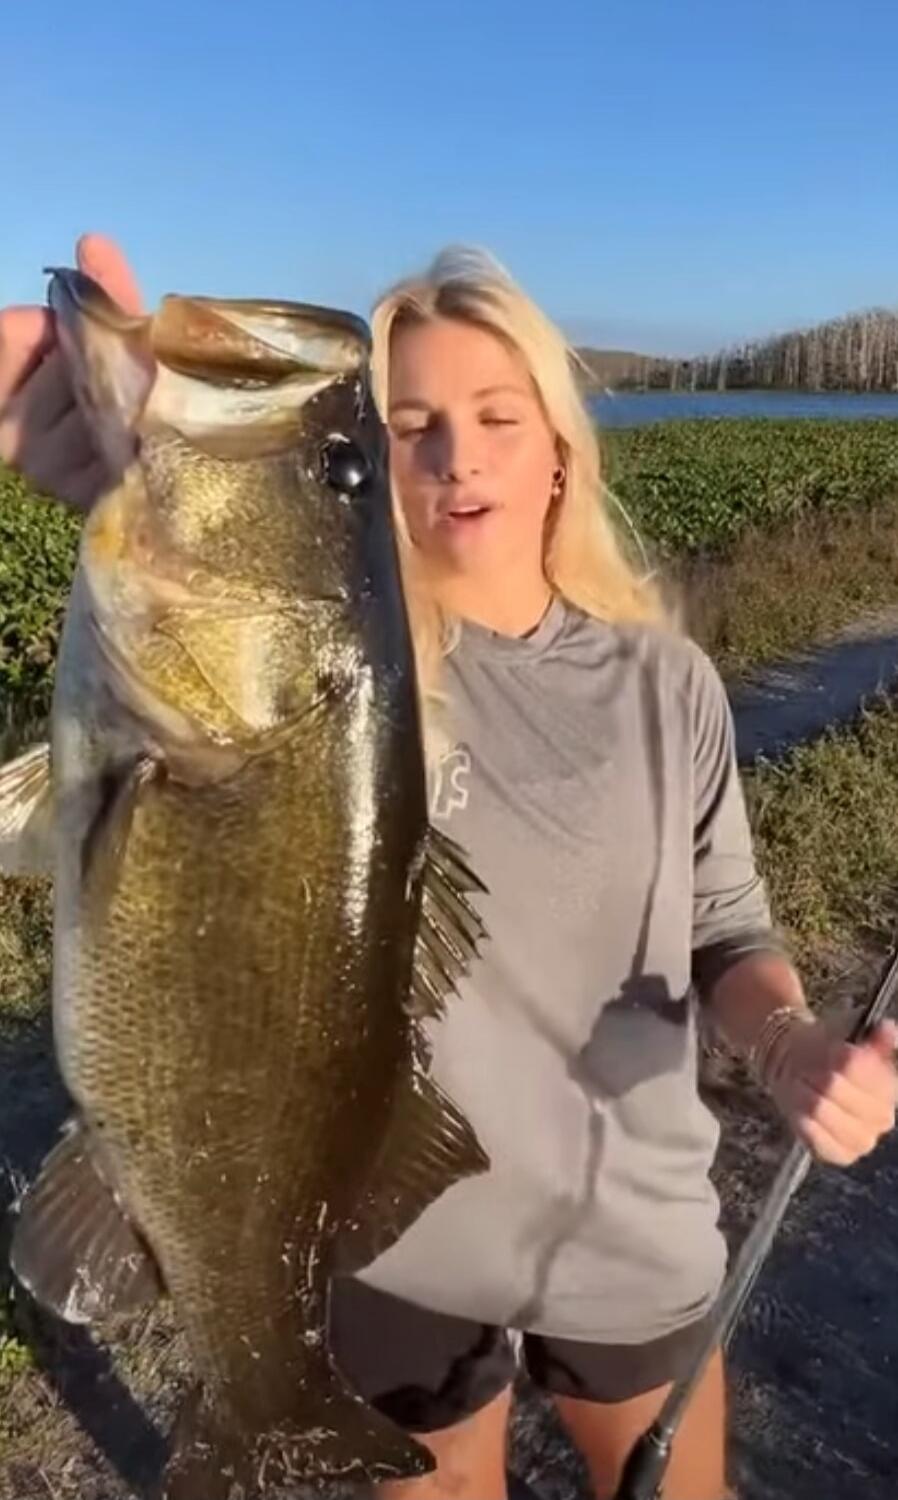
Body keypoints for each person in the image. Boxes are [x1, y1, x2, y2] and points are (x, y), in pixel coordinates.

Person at [2, 235, 896, 1500]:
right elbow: (227, 628)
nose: (457, 455)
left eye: (494, 414)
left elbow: (723, 924)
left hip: (627, 1230)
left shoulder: (667, 683)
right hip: (399, 1243)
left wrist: (791, 1039)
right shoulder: (353, 677)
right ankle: (260, 1403)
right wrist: (121, 486)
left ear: (558, 449)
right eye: (404, 426)